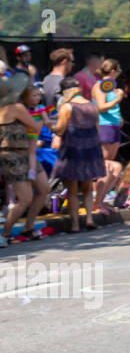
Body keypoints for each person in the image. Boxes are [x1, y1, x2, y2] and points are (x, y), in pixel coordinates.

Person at [50, 77, 107, 233]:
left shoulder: (67, 107)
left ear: (65, 91)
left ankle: (75, 225)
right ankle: (89, 219)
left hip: (72, 151)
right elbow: (98, 130)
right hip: (91, 150)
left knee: (72, 191)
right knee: (88, 188)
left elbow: (60, 130)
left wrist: (49, 126)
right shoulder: (92, 106)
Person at [0, 73, 49, 244]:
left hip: (24, 153)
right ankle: (4, 234)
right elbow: (36, 126)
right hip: (15, 155)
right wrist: (43, 117)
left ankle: (28, 227)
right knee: (26, 198)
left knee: (44, 188)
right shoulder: (17, 108)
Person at [92, 58, 125, 166]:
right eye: (119, 71)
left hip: (113, 125)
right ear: (112, 71)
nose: (119, 74)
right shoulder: (99, 86)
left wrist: (119, 118)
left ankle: (106, 183)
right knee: (104, 162)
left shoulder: (110, 86)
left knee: (110, 163)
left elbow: (112, 107)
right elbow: (101, 107)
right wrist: (118, 98)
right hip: (104, 125)